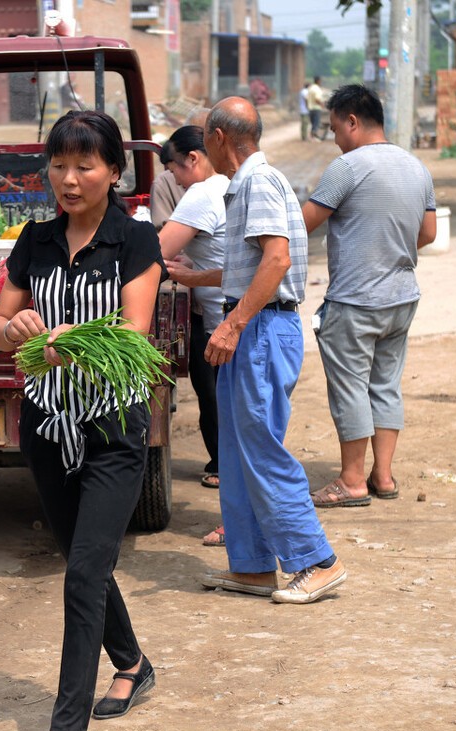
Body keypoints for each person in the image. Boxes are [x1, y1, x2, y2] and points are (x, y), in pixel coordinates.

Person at [0, 110, 163, 731]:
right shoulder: (34, 240)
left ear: (114, 172)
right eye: (58, 165)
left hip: (113, 431)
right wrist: (18, 329)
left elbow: (135, 333)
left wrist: (60, 343)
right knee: (84, 561)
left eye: (85, 166)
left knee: (82, 576)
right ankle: (133, 663)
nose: (68, 178)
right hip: (47, 429)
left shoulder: (135, 240)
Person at [197, 98, 347, 605]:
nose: (202, 146)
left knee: (260, 450)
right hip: (256, 326)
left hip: (260, 328)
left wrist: (233, 324)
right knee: (238, 455)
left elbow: (276, 260)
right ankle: (253, 567)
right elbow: (256, 262)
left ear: (220, 137)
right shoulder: (251, 184)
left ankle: (317, 561)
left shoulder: (257, 181)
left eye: (203, 137)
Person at [301, 85, 436, 510]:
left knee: (350, 388)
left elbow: (303, 224)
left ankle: (352, 481)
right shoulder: (416, 168)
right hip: (402, 298)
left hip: (356, 300)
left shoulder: (347, 167)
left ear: (353, 121)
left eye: (335, 127)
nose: (335, 136)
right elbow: (428, 234)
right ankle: (383, 475)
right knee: (385, 386)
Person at [155, 127, 230, 503]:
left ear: (193, 159)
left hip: (223, 320)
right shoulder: (231, 185)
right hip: (245, 317)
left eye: (174, 170)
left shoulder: (202, 192)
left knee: (225, 408)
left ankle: (237, 512)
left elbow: (156, 252)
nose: (176, 181)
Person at [307, 76, 327, 140]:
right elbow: (317, 99)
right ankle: (314, 136)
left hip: (310, 108)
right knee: (316, 123)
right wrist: (322, 105)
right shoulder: (317, 89)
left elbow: (306, 98)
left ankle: (312, 137)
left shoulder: (310, 88)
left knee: (313, 123)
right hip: (316, 108)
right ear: (318, 81)